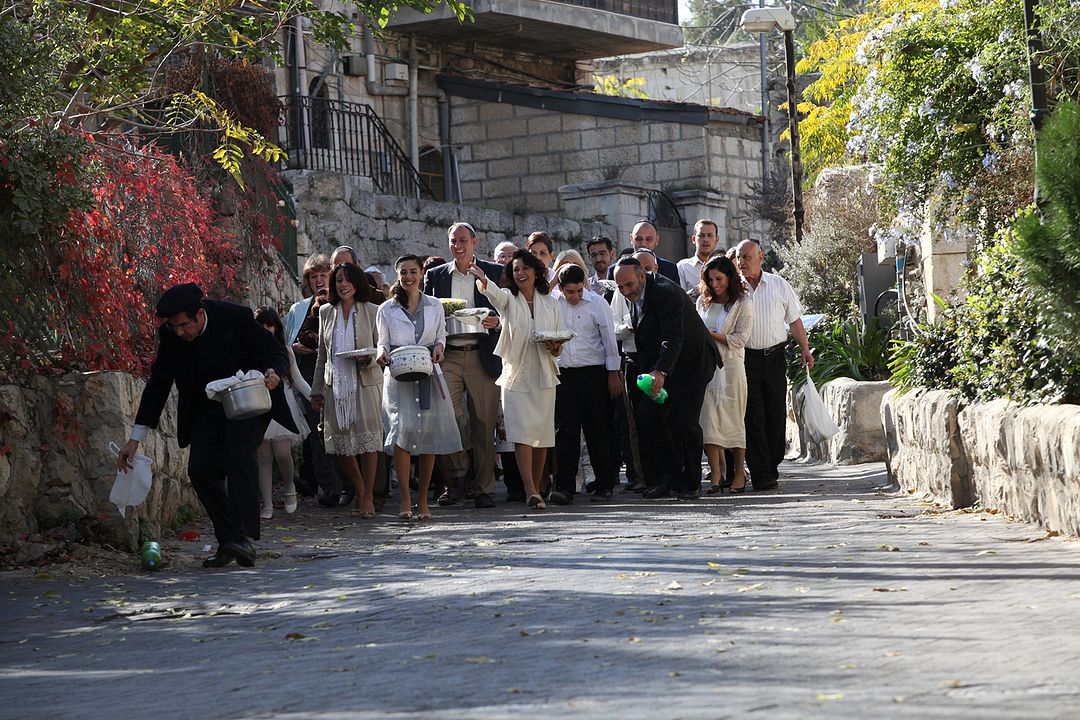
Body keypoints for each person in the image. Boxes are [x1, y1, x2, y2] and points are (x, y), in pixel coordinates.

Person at [117, 283, 294, 568]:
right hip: (206, 408)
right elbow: (158, 385)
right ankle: (228, 541)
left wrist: (273, 371)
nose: (179, 332)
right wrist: (135, 439)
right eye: (173, 326)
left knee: (240, 456)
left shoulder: (234, 317)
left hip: (248, 398)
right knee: (199, 470)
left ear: (199, 314)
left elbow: (274, 352)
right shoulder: (172, 337)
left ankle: (244, 538)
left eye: (184, 325)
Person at [613, 257, 720, 500]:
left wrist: (660, 372)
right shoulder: (631, 293)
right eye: (620, 287)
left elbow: (672, 337)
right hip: (662, 365)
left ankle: (692, 483)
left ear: (642, 275)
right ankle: (671, 476)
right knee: (648, 416)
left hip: (692, 364)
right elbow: (644, 336)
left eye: (628, 285)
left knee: (685, 422)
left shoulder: (665, 291)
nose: (625, 291)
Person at [470, 250, 565, 510]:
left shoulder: (551, 302)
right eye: (515, 270)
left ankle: (538, 486)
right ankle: (530, 489)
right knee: (522, 433)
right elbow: (495, 295)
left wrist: (556, 346)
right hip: (515, 373)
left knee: (542, 434)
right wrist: (482, 278)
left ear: (535, 271)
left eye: (525, 268)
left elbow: (558, 341)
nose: (520, 273)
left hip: (544, 373)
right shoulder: (509, 299)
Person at [376, 255, 462, 521]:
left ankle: (423, 500)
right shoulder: (386, 309)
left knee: (428, 435)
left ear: (422, 273)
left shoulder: (435, 305)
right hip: (399, 375)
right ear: (397, 275)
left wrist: (439, 347)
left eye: (413, 271)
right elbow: (382, 342)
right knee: (402, 433)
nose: (408, 277)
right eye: (403, 272)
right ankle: (405, 498)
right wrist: (381, 354)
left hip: (428, 373)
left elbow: (440, 335)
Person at [424, 222, 504, 508]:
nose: (458, 246)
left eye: (463, 241)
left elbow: (509, 309)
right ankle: (458, 474)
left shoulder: (492, 272)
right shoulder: (434, 276)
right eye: (453, 241)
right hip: (450, 353)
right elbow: (427, 314)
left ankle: (484, 488)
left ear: (474, 242)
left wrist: (498, 321)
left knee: (484, 423)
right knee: (446, 414)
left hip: (483, 351)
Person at [735, 239, 813, 491]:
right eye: (738, 257)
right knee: (753, 415)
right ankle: (760, 472)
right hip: (745, 358)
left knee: (775, 413)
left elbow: (795, 320)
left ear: (761, 257)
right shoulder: (734, 287)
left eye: (746, 257)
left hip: (775, 357)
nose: (741, 262)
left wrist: (805, 349)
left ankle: (772, 464)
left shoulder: (779, 284)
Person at [310, 263, 384, 517]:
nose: (343, 284)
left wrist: (370, 358)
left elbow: (383, 347)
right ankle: (361, 489)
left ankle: (368, 497)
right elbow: (322, 354)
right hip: (335, 385)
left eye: (348, 279)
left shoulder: (373, 310)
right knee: (340, 444)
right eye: (339, 280)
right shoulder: (325, 313)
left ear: (358, 283)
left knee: (368, 442)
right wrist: (316, 390)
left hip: (365, 381)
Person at [551, 264, 622, 503]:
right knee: (566, 431)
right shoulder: (552, 303)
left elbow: (609, 340)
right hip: (563, 374)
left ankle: (605, 482)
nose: (575, 296)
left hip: (593, 373)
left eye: (579, 290)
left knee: (597, 430)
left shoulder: (597, 303)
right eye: (570, 292)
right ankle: (565, 486)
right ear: (561, 288)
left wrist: (613, 373)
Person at [695, 256, 753, 494]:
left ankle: (739, 471)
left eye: (719, 279)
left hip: (731, 366)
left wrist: (710, 335)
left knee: (734, 418)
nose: (715, 284)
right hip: (708, 366)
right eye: (710, 280)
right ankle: (716, 474)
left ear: (730, 277)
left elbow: (739, 340)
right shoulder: (703, 302)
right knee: (708, 419)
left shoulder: (742, 302)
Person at [254, 307, 311, 518]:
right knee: (264, 456)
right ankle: (267, 503)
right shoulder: (249, 350)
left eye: (270, 325)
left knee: (282, 452)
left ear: (277, 327)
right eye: (261, 325)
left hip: (283, 406)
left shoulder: (285, 351)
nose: (266, 329)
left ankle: (289, 486)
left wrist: (315, 396)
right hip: (259, 405)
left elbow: (297, 380)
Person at [607, 221, 679, 284]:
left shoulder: (670, 269)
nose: (643, 244)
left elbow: (677, 298)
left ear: (657, 240)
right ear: (631, 239)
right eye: (638, 239)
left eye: (648, 239)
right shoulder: (615, 270)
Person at [677, 219, 720, 293]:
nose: (706, 239)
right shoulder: (683, 267)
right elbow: (680, 299)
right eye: (701, 235)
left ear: (717, 239)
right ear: (693, 239)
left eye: (710, 235)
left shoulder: (725, 266)